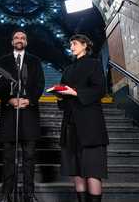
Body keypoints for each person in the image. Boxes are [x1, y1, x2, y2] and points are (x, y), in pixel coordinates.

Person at [0, 29, 45, 202]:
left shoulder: (35, 61)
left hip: (29, 114)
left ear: (26, 42)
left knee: (29, 156)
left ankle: (30, 193)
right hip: (9, 114)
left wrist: (29, 100)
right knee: (8, 157)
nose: (19, 39)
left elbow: (40, 84)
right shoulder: (2, 61)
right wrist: (9, 100)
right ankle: (7, 193)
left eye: (23, 37)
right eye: (16, 37)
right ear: (12, 41)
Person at [54, 34, 108, 202]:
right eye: (71, 44)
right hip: (70, 125)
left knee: (92, 171)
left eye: (75, 43)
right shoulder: (68, 69)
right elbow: (63, 95)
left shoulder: (94, 64)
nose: (71, 47)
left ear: (85, 45)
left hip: (90, 126)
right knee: (75, 171)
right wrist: (60, 95)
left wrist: (75, 92)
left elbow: (100, 90)